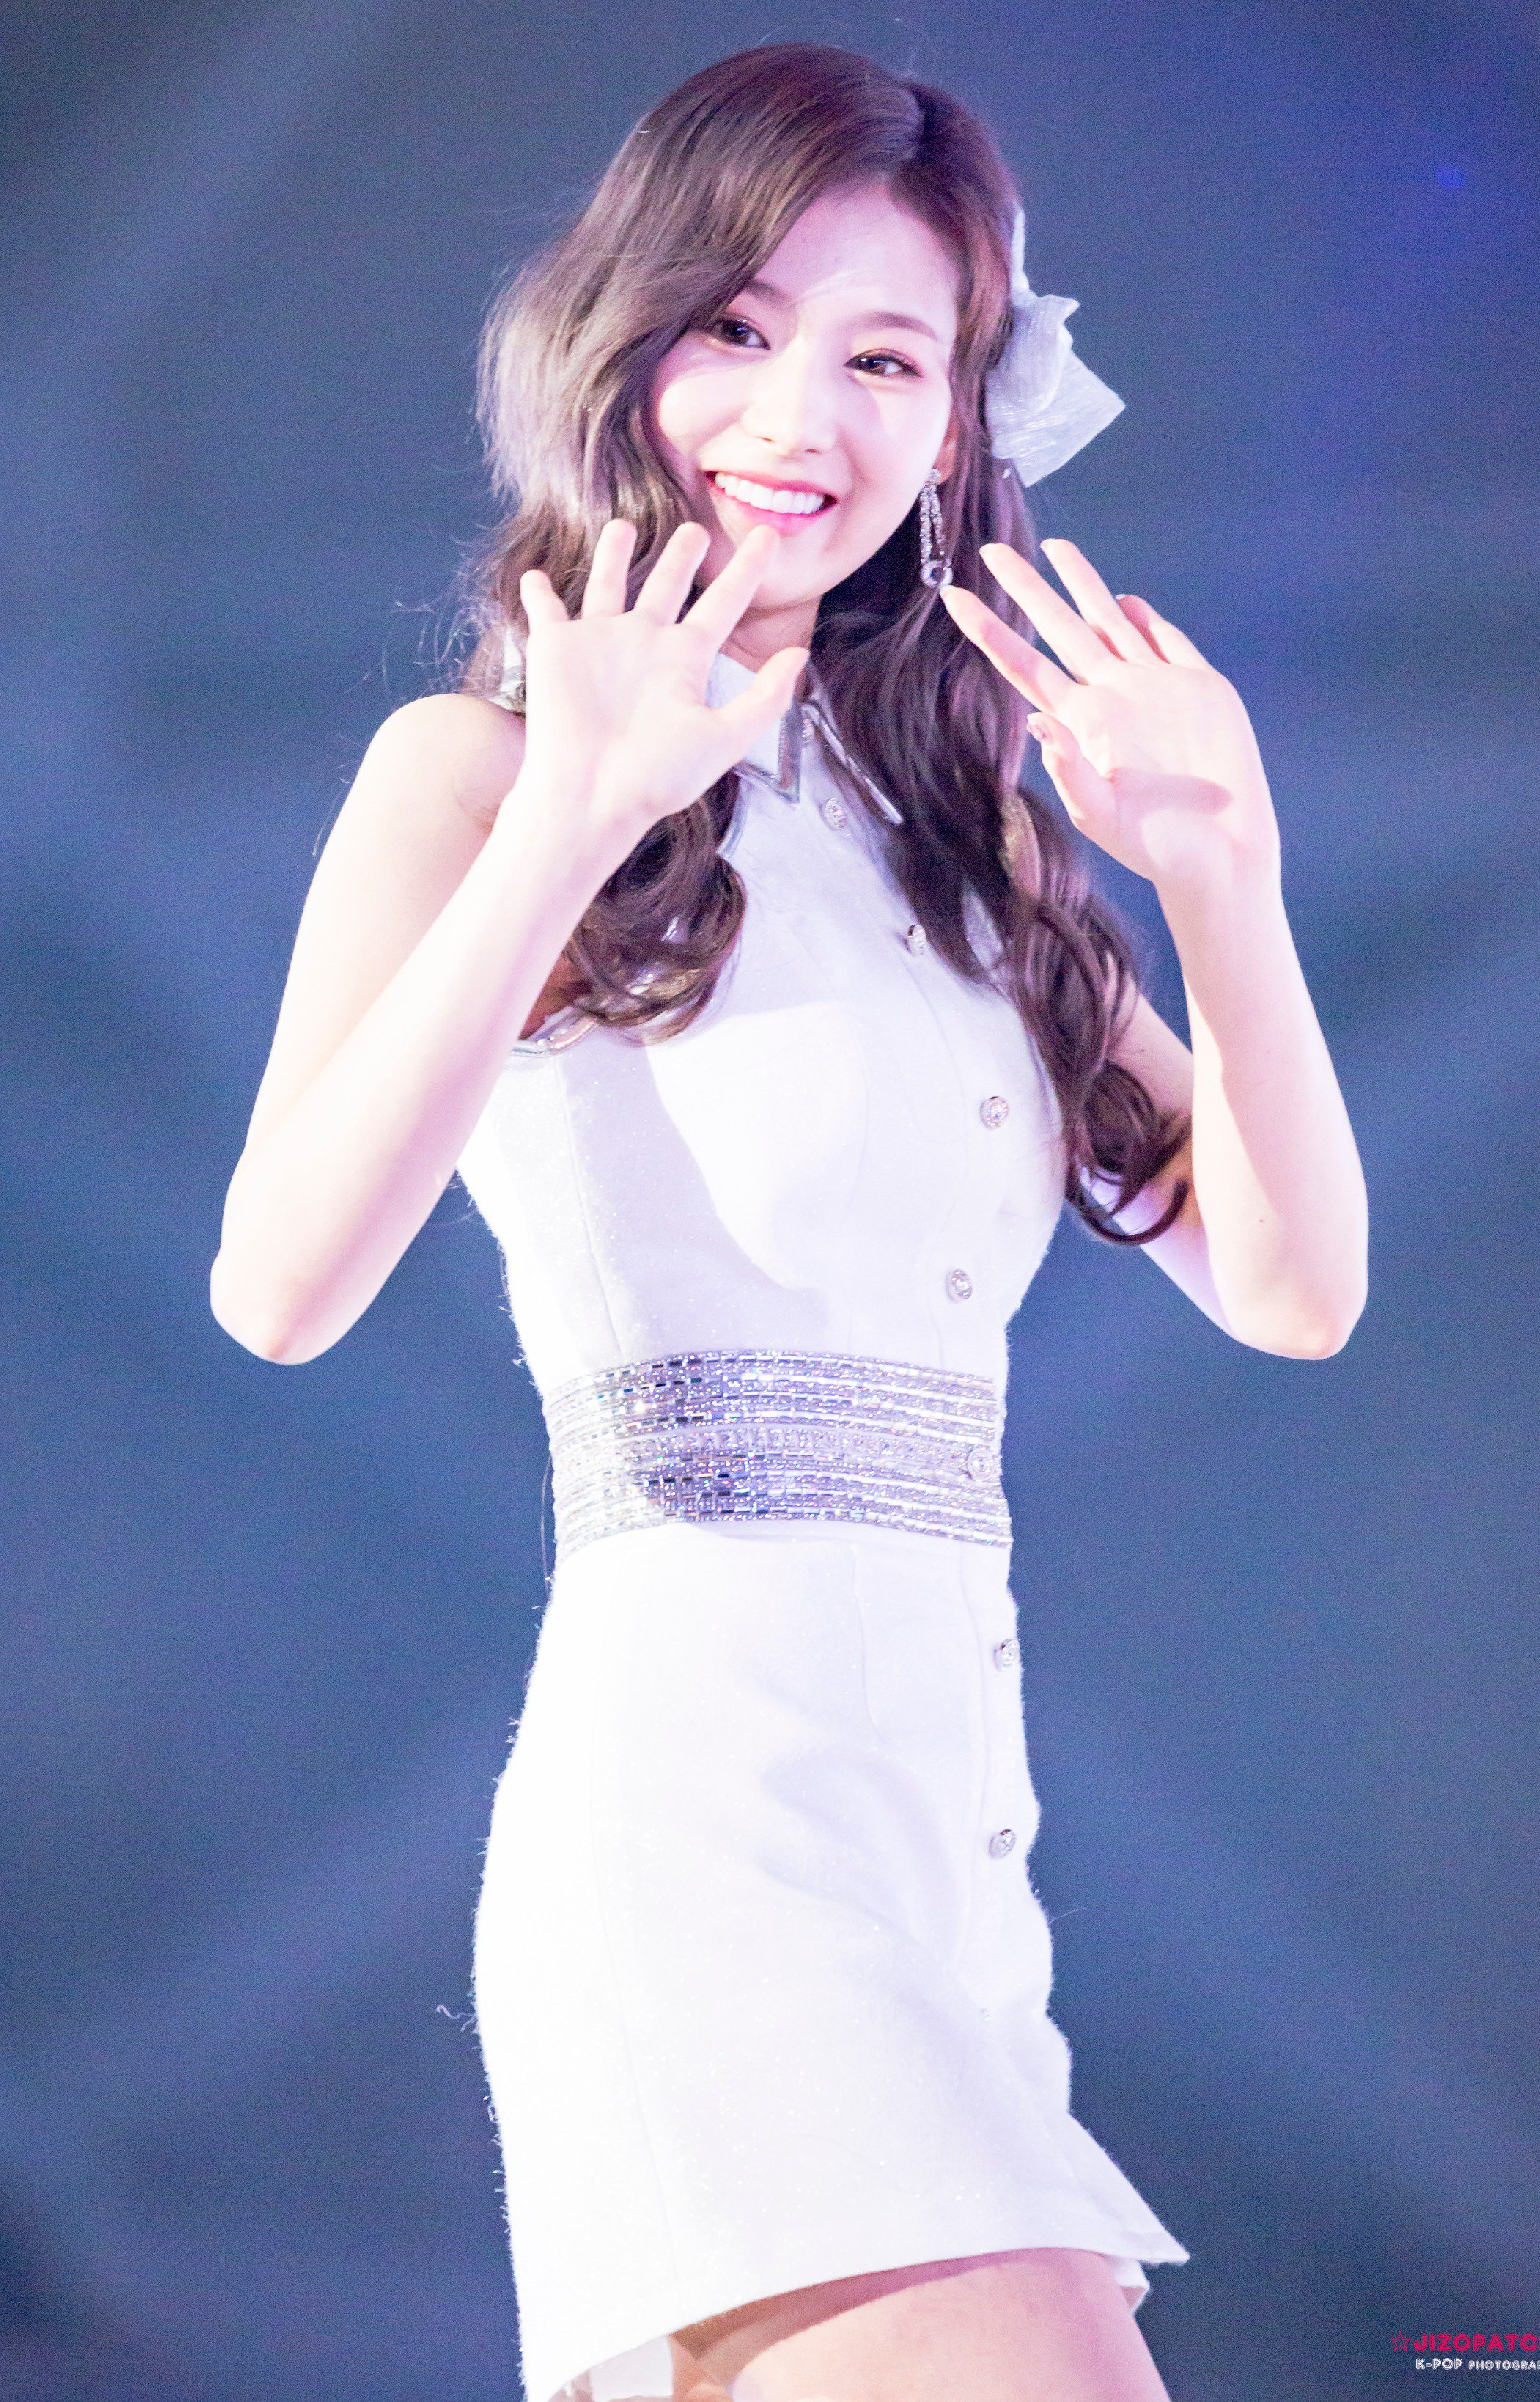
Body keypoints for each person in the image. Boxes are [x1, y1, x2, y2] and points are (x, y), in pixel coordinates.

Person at [210, 43, 1366, 2402]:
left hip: (951, 1842)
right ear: (628, 340)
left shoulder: (969, 840)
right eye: (742, 327)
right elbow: (279, 1286)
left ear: (956, 423)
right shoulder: (470, 774)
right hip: (702, 1836)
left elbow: (1290, 1284)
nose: (800, 414)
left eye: (886, 358)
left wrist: (1222, 877)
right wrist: (577, 805)